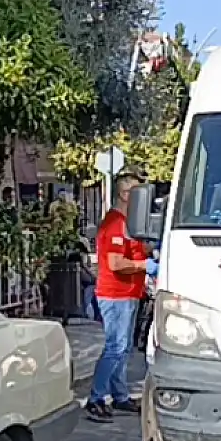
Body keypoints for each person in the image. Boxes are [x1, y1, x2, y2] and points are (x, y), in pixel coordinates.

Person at [85, 166, 151, 423]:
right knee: (115, 347)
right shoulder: (115, 224)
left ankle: (119, 394)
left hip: (128, 293)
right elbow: (115, 263)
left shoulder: (126, 224)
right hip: (115, 295)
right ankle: (96, 399)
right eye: (137, 193)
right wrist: (145, 266)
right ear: (125, 195)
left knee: (122, 349)